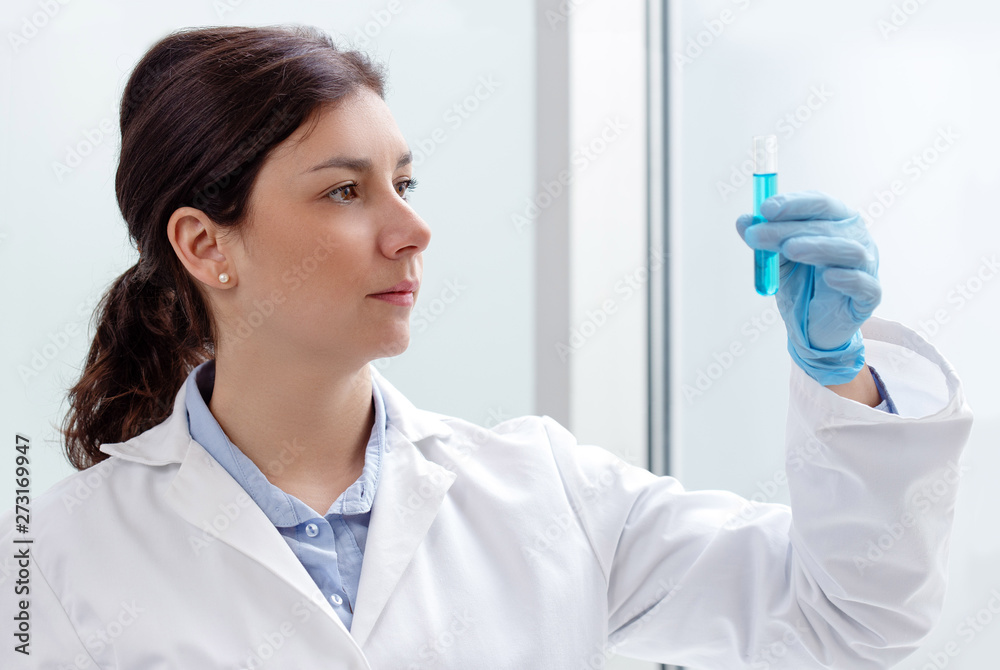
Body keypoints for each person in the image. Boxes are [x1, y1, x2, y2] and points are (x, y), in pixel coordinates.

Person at [0, 24, 973, 670]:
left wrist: (843, 378)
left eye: (404, 183)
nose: (409, 229)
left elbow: (853, 615)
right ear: (204, 244)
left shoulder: (543, 495)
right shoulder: (57, 557)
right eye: (345, 190)